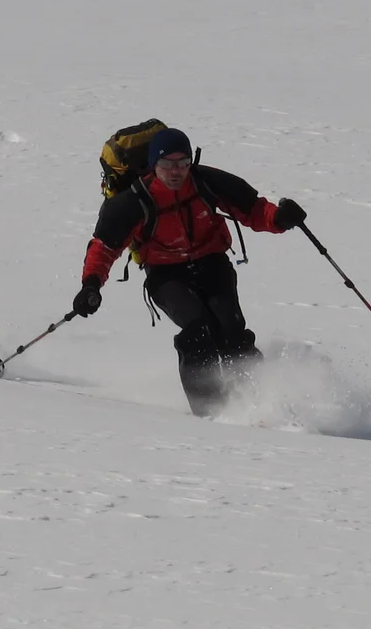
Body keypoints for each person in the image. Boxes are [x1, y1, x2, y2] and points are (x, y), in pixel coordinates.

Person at [73, 127, 306, 415]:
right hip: (165, 274)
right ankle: (210, 412)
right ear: (152, 165)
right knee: (197, 331)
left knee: (231, 331)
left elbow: (253, 209)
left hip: (213, 263)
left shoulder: (205, 182)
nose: (176, 172)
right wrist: (91, 285)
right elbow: (104, 247)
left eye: (183, 163)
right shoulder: (133, 202)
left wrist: (280, 218)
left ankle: (263, 400)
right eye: (167, 165)